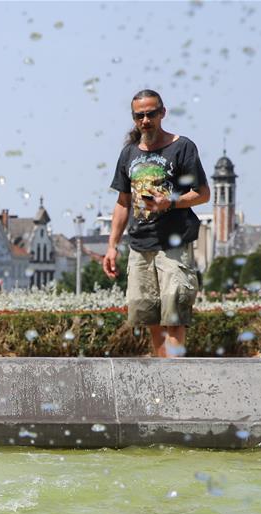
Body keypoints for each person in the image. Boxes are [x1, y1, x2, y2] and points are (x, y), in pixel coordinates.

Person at [103, 89, 210, 357]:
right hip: (140, 246)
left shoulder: (182, 147)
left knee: (174, 316)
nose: (146, 120)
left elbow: (203, 193)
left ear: (163, 113)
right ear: (134, 118)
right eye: (140, 116)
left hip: (173, 245)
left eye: (151, 114)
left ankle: (177, 381)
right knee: (150, 319)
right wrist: (112, 246)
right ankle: (165, 382)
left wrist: (170, 202)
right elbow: (122, 202)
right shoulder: (128, 153)